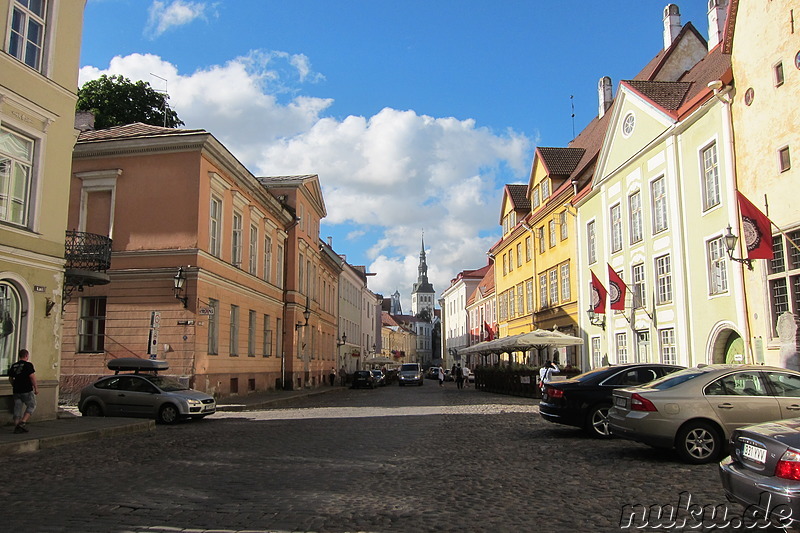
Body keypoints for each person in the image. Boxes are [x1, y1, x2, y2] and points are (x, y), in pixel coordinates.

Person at [8, 349, 37, 433]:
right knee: (32, 405)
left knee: (17, 407)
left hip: (16, 390)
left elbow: (10, 378)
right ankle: (22, 422)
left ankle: (16, 425)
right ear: (26, 356)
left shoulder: (14, 365)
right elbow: (32, 377)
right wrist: (36, 388)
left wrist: (14, 384)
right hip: (26, 389)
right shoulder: (28, 365)